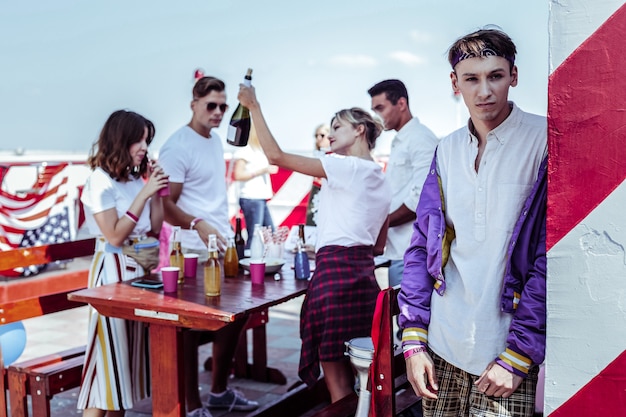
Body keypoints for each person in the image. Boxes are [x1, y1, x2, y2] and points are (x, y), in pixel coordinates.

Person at [398, 27, 547, 417]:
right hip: (443, 343)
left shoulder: (546, 140)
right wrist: (413, 340)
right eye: (471, 79)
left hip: (506, 350)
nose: (484, 92)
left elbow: (552, 256)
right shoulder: (445, 150)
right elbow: (422, 245)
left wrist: (520, 351)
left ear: (514, 75)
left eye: (496, 76)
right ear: (455, 83)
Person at [238, 85, 392, 403]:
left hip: (333, 280)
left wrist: (254, 107)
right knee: (360, 377)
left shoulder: (344, 166)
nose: (331, 133)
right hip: (365, 281)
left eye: (337, 126)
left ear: (360, 130)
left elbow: (275, 156)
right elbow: (377, 245)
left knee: (337, 385)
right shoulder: (380, 177)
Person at [158, 76, 258, 417]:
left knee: (235, 316)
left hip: (222, 245)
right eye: (211, 105)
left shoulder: (216, 141)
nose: (218, 112)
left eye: (223, 106)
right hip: (191, 249)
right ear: (193, 104)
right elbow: (165, 206)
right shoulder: (177, 146)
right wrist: (196, 224)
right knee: (188, 328)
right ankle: (191, 405)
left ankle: (218, 392)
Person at [78, 110, 168, 417]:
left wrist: (154, 190)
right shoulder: (98, 181)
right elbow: (114, 236)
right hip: (111, 275)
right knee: (107, 366)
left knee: (122, 371)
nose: (144, 147)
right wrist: (144, 192)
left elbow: (155, 226)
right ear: (121, 140)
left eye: (146, 140)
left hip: (137, 274)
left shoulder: (131, 179)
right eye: (138, 140)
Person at [368, 79, 439, 288]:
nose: (377, 116)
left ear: (401, 104)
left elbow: (423, 199)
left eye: (380, 108)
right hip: (398, 250)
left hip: (413, 252)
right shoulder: (402, 140)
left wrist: (381, 224)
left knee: (411, 319)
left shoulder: (420, 139)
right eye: (374, 110)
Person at [232, 123, 277, 247]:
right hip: (251, 197)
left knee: (269, 232)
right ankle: (250, 262)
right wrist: (261, 171)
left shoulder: (259, 150)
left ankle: (261, 261)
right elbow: (238, 175)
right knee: (255, 235)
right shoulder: (245, 151)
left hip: (260, 198)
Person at [305, 123, 331, 226]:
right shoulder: (317, 153)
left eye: (322, 135)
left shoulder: (336, 154)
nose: (319, 138)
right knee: (312, 219)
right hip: (317, 189)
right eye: (316, 136)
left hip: (329, 192)